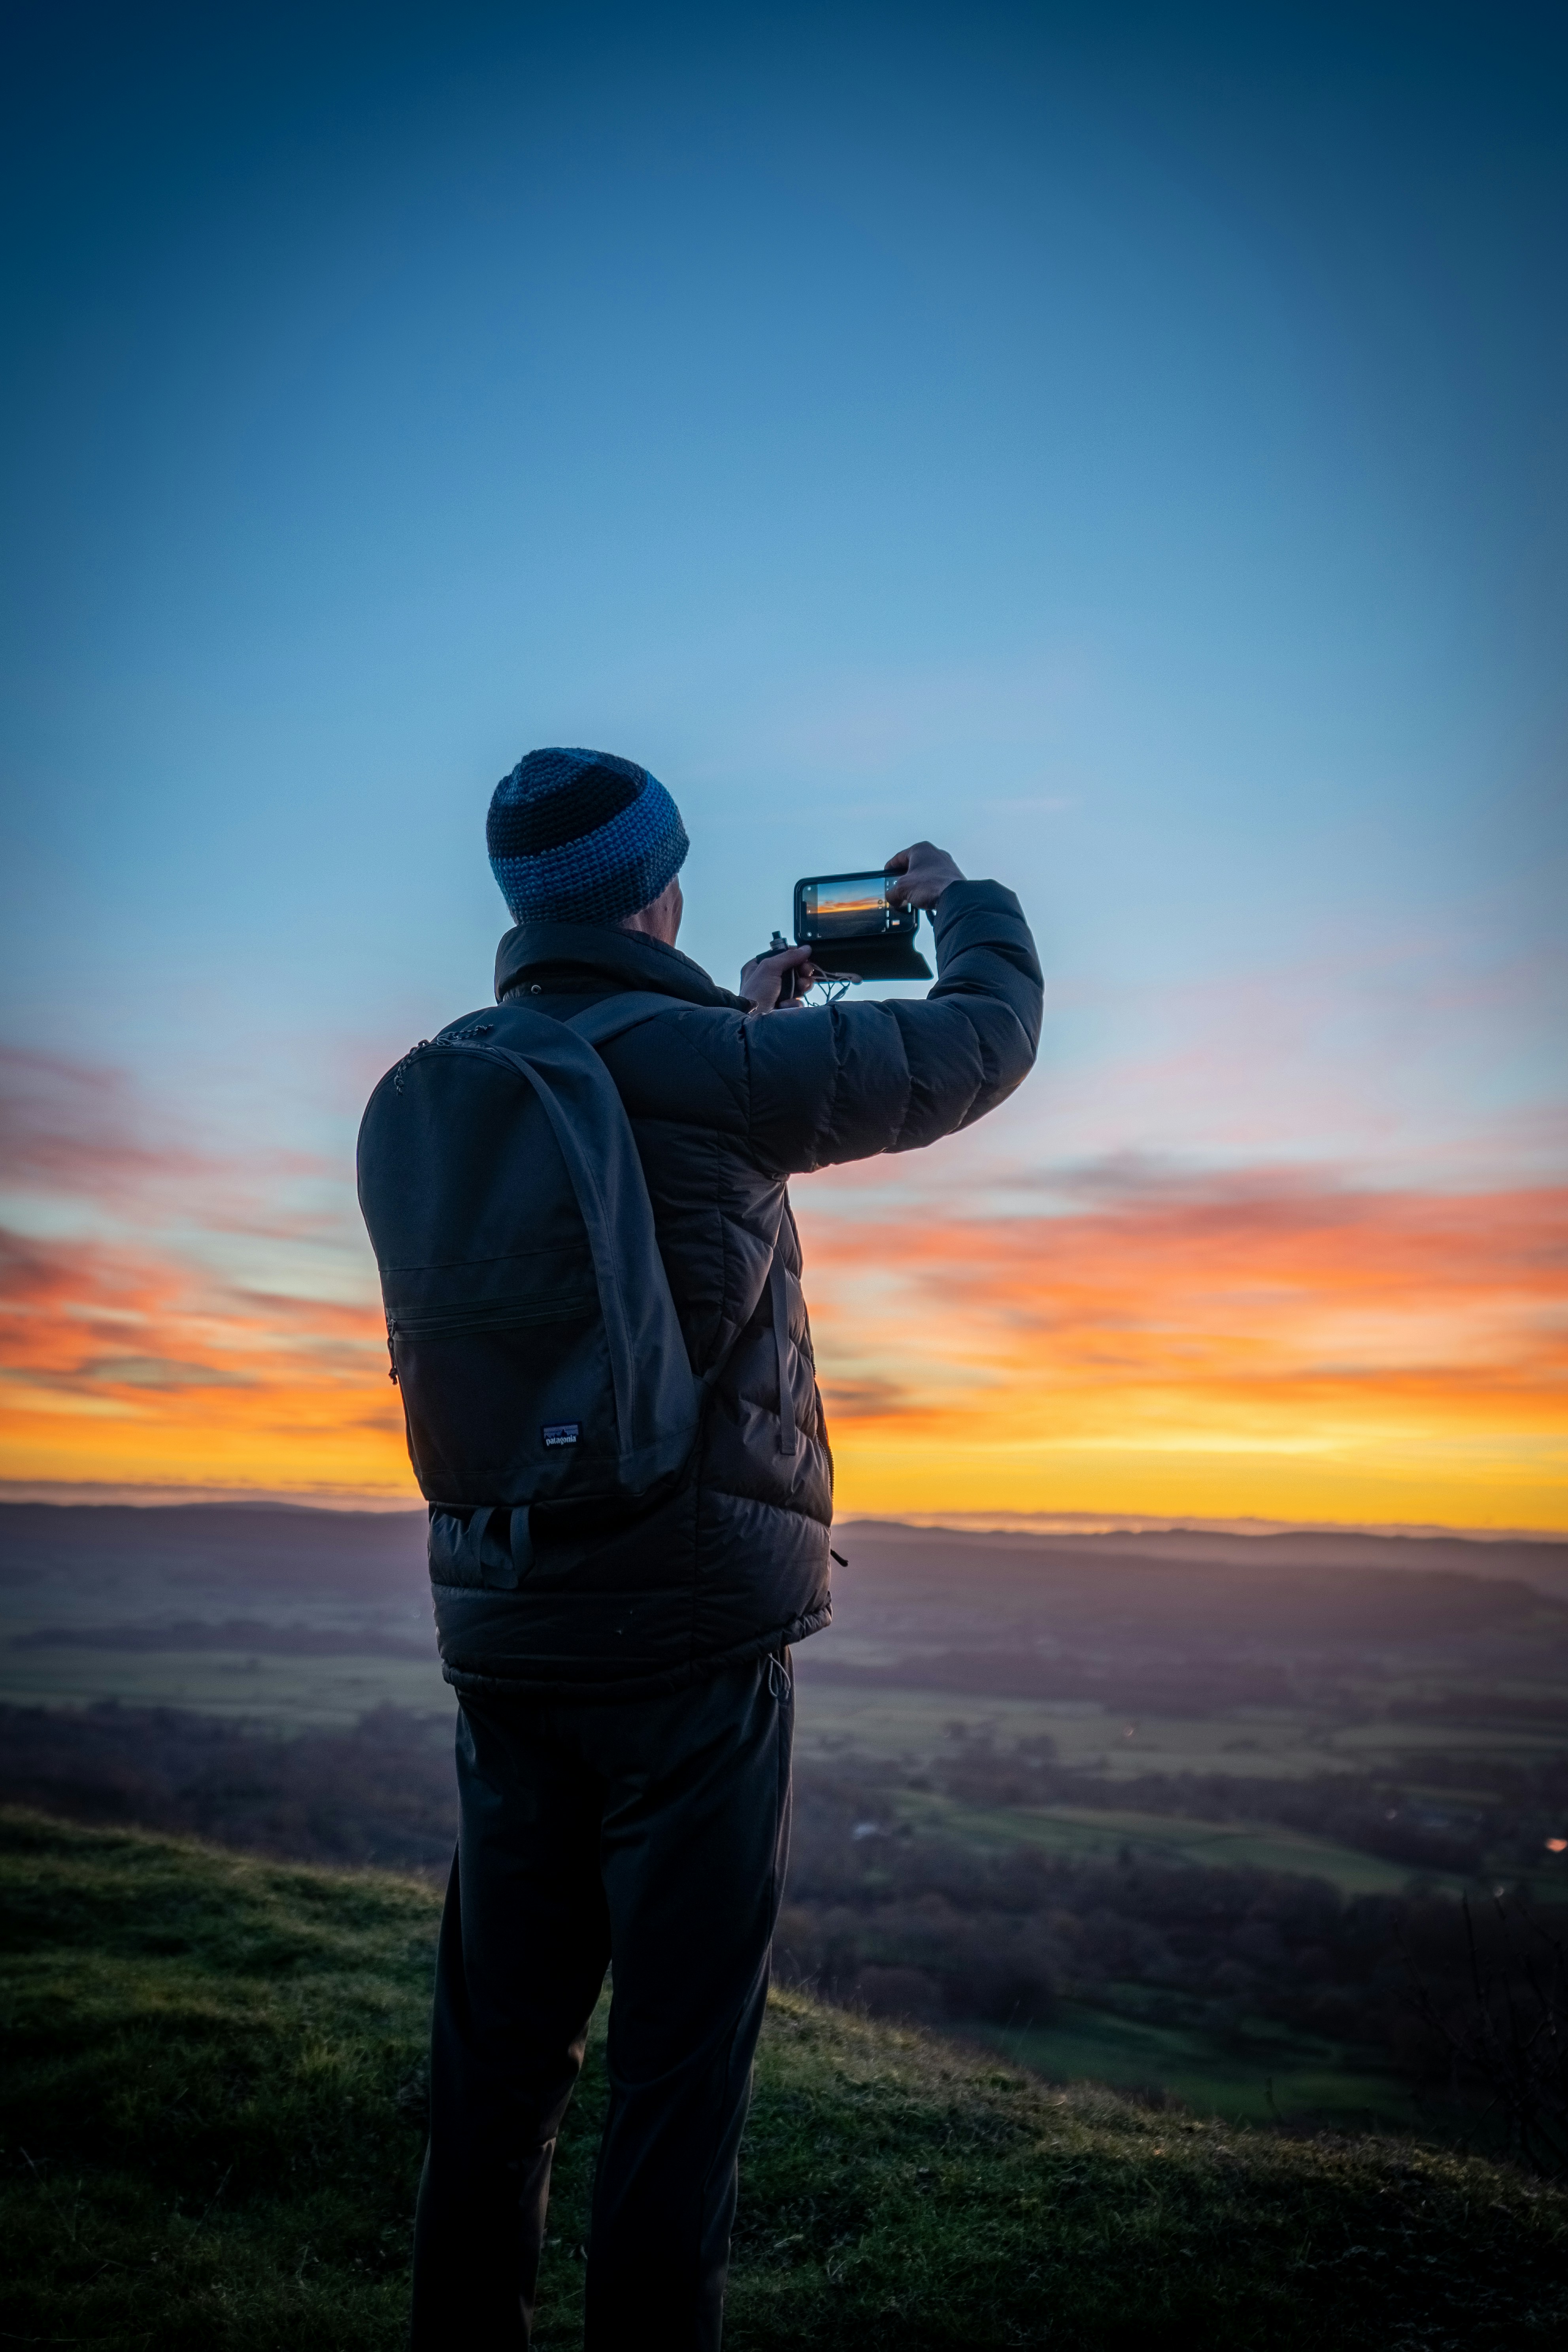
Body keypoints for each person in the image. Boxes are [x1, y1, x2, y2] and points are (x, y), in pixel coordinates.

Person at [388, 745, 1042, 2348]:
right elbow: (976, 1044)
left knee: (496, 2067)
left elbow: (621, 1201)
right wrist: (964, 904)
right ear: (655, 887)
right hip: (687, 1649)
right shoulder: (708, 1071)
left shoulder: (470, 1068)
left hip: (506, 1619)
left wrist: (736, 1029)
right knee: (677, 2080)